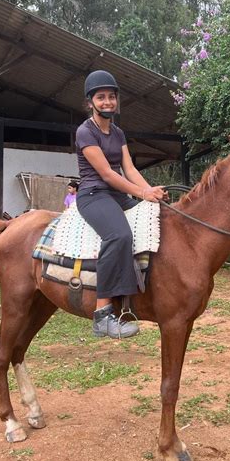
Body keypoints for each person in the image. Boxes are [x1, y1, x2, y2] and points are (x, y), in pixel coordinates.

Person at [75, 70, 166, 339]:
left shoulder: (118, 132)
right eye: (101, 97)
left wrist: (149, 191)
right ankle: (102, 315)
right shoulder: (85, 131)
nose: (107, 102)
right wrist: (140, 192)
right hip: (94, 194)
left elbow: (128, 168)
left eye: (111, 97)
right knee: (119, 234)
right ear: (90, 101)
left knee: (157, 218)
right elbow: (107, 174)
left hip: (116, 194)